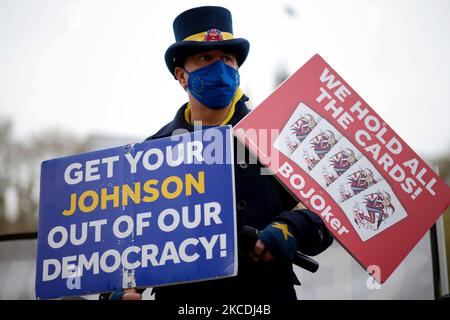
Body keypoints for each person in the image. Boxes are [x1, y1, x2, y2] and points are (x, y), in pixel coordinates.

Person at [100, 5, 333, 301]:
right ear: (182, 76)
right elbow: (131, 242)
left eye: (227, 58)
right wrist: (118, 289)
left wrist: (294, 227)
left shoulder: (275, 135)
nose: (220, 68)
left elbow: (327, 211)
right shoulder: (153, 151)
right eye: (205, 58)